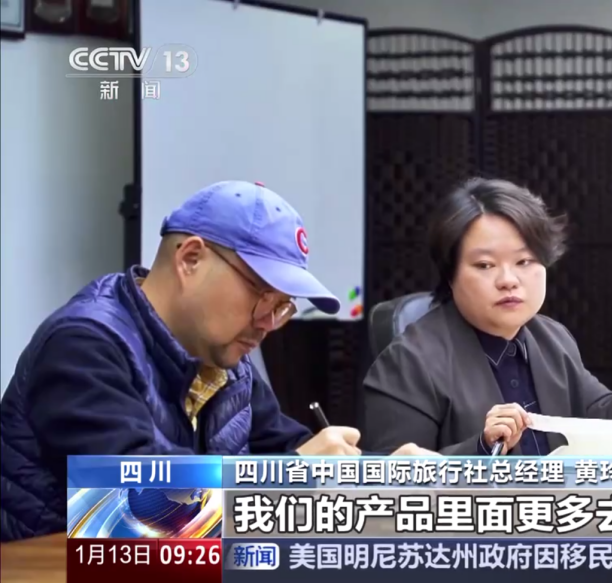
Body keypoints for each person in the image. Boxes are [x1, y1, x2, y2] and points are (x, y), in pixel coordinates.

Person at [0, 181, 433, 542]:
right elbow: (139, 513)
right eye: (262, 295)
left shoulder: (225, 361)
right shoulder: (84, 346)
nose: (268, 323)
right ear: (190, 258)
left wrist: (387, 474)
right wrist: (295, 475)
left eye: (283, 307)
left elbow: (290, 450)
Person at [360, 177, 612, 456]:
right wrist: (480, 449)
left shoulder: (552, 339)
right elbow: (393, 478)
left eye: (524, 261)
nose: (508, 279)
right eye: (485, 265)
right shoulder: (408, 362)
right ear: (450, 275)